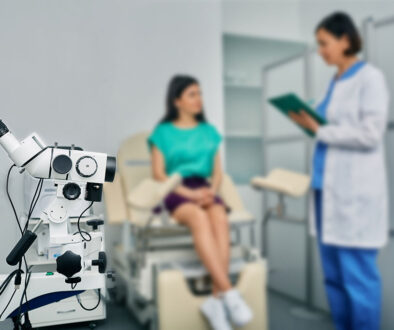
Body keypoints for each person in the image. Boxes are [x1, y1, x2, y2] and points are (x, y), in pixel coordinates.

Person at [290, 12, 389, 330]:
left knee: (358, 279)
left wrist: (319, 129)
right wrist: (306, 121)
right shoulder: (331, 83)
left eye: (324, 44)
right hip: (325, 192)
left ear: (345, 40)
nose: (320, 51)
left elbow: (370, 134)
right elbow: (324, 129)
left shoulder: (369, 78)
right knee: (333, 278)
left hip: (354, 196)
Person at [147, 75, 253, 330]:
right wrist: (190, 194)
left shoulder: (209, 132)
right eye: (192, 94)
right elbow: (159, 174)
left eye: (200, 94)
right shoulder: (162, 133)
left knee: (218, 215)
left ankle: (215, 301)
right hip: (176, 188)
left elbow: (217, 172)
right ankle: (229, 292)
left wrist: (210, 191)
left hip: (204, 187)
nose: (199, 99)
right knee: (198, 216)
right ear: (177, 101)